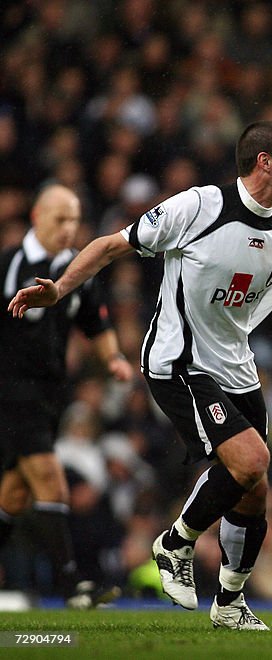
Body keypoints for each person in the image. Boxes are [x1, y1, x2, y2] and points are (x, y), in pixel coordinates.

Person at [8, 121, 272, 630]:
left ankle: (230, 603)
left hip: (236, 368)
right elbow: (109, 246)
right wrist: (59, 290)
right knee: (252, 459)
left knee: (255, 488)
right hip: (177, 363)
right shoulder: (197, 208)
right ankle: (175, 542)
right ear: (265, 163)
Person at [0, 184, 133, 608]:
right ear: (37, 215)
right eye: (60, 218)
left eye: (74, 219)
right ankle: (72, 585)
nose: (68, 228)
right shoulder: (8, 264)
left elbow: (96, 324)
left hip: (48, 397)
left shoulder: (75, 273)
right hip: (10, 394)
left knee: (15, 496)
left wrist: (114, 359)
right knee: (50, 482)